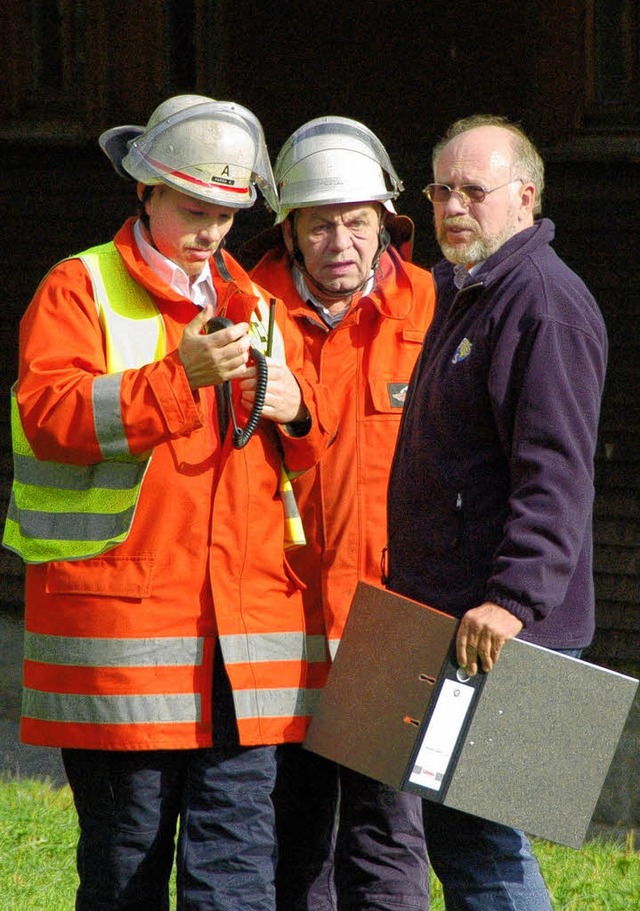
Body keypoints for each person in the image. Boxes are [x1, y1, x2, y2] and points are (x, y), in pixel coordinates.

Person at [2, 95, 337, 911]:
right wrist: (175, 378)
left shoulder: (256, 305)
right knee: (126, 873)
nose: (214, 229)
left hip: (244, 650)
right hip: (125, 648)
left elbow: (288, 472)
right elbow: (50, 416)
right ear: (144, 190)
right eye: (194, 208)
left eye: (227, 212)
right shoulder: (79, 287)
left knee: (237, 880)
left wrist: (301, 410)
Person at [386, 114, 608, 910]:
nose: (451, 206)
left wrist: (512, 600)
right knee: (462, 836)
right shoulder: (460, 290)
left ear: (525, 196)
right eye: (440, 188)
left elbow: (556, 473)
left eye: (472, 191)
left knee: (486, 841)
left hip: (511, 629)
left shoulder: (545, 303)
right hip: (453, 616)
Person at [245, 116, 435, 911]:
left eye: (358, 221)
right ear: (288, 228)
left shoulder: (434, 308)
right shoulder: (242, 310)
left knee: (386, 841)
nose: (341, 241)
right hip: (277, 618)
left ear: (385, 223)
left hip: (391, 617)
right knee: (290, 844)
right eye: (320, 223)